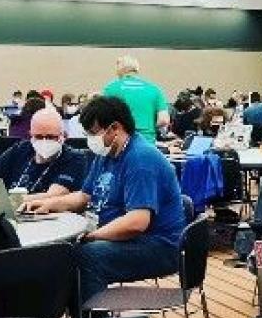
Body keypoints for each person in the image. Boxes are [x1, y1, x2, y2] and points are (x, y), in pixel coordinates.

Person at [23, 96, 187, 304]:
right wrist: (49, 204)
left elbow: (137, 222)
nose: (91, 139)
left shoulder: (141, 160)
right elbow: (84, 196)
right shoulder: (106, 154)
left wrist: (92, 236)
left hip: (157, 246)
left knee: (85, 255)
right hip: (120, 235)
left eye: (93, 133)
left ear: (115, 128)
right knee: (61, 252)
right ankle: (69, 311)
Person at [0, 108, 90, 202]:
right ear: (30, 135)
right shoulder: (19, 149)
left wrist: (7, 201)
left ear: (64, 136)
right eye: (38, 137)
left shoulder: (75, 159)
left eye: (50, 137)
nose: (44, 141)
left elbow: (54, 196)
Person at [102, 55, 170, 136]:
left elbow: (103, 117)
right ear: (137, 69)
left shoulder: (110, 88)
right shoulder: (154, 89)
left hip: (120, 139)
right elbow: (163, 120)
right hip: (147, 139)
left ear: (119, 70)